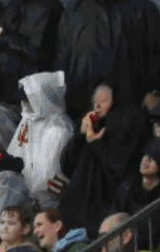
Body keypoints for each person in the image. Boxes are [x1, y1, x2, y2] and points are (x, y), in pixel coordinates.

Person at [57, 84, 147, 234]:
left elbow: (117, 165)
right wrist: (80, 135)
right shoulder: (91, 126)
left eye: (103, 101)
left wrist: (96, 143)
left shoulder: (125, 122)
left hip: (103, 210)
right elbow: (67, 165)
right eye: (95, 102)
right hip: (78, 208)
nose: (97, 106)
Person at [9, 72, 74, 197]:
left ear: (43, 98)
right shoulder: (28, 119)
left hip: (42, 198)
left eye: (29, 99)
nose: (25, 103)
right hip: (19, 189)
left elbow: (46, 177)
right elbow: (14, 155)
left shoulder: (59, 129)